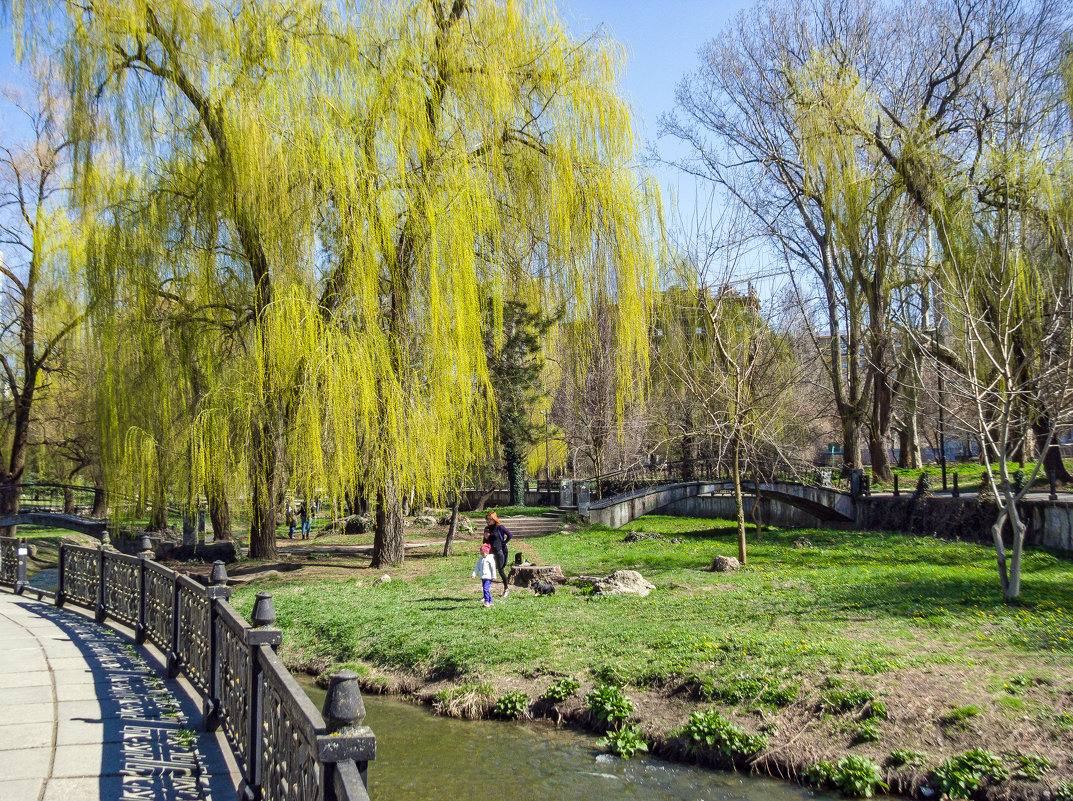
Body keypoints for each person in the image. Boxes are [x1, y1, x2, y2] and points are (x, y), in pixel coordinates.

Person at [483, 511, 513, 597]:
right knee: (487, 572)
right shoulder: (487, 529)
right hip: (490, 553)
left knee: (501, 571)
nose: (488, 521)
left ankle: (506, 589)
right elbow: (485, 542)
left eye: (490, 519)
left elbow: (510, 535)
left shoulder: (499, 527)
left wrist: (503, 543)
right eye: (487, 519)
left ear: (494, 519)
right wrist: (485, 541)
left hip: (499, 552)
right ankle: (486, 594)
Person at [472, 543, 497, 608]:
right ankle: (490, 601)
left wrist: (494, 576)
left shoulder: (490, 559)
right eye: (481, 553)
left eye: (483, 553)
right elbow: (477, 567)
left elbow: (493, 568)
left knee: (486, 589)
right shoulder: (480, 559)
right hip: (483, 577)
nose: (482, 555)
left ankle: (486, 602)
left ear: (487, 552)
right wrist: (474, 574)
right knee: (486, 589)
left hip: (488, 577)